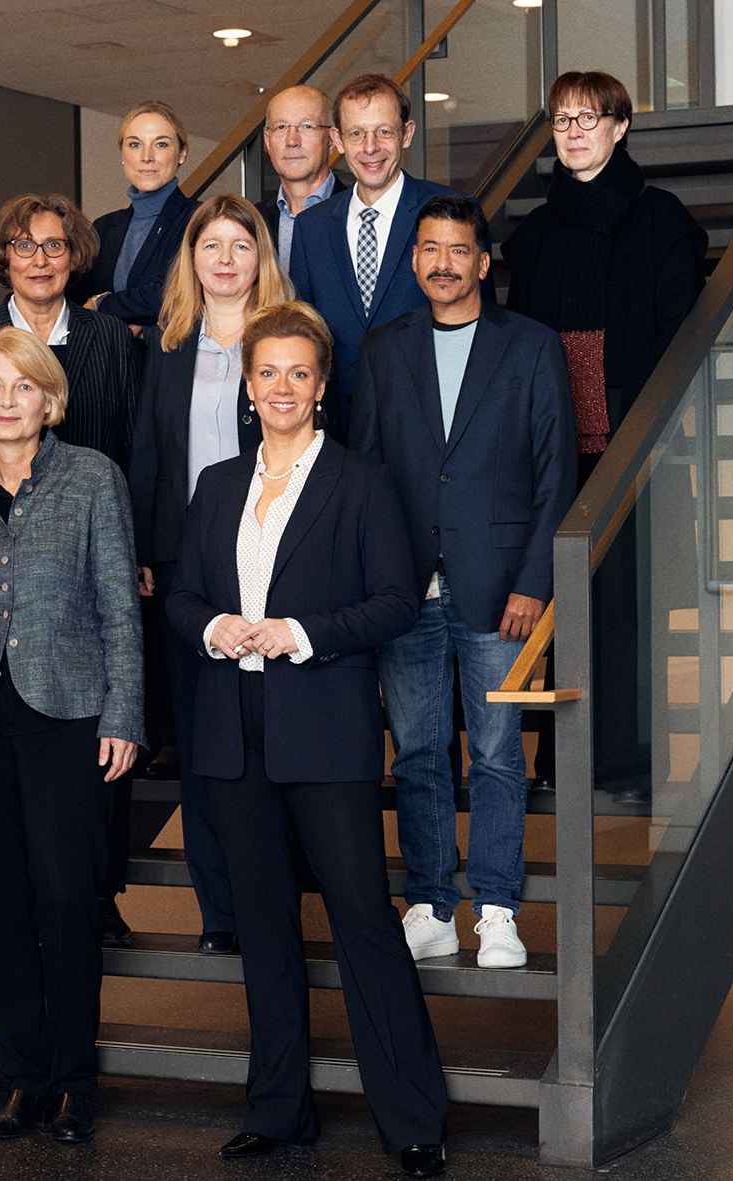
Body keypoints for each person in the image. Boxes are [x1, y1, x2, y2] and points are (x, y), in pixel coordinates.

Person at [167, 301, 448, 1179]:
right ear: (248, 387)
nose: (282, 387)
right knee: (263, 925)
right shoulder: (217, 485)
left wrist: (300, 632)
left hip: (325, 729)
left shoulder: (362, 482)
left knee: (362, 917)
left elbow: (396, 601)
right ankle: (278, 1110)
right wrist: (214, 625)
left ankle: (413, 1118)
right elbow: (180, 596)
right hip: (232, 731)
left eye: (298, 372)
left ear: (322, 385)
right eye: (267, 373)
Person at [0, 327, 144, 1145]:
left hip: (67, 714)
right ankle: (24, 1078)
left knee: (68, 895)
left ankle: (73, 1081)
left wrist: (124, 714)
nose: (7, 401)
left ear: (50, 400)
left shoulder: (93, 478)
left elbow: (120, 609)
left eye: (24, 386)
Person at [347, 194, 576, 969]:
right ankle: (431, 905)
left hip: (502, 590)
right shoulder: (385, 348)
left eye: (457, 250)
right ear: (413, 260)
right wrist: (375, 583)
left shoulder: (532, 346)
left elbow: (555, 475)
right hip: (406, 590)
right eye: (429, 249)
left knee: (499, 753)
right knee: (417, 752)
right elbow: (367, 474)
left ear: (482, 262)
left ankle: (498, 910)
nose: (442, 263)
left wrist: (534, 582)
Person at [0, 193, 147, 947]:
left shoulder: (110, 338)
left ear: (74, 256)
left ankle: (97, 891)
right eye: (24, 246)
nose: (41, 259)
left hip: (90, 552)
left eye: (54, 245)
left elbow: (131, 442)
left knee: (93, 735)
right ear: (4, 258)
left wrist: (126, 547)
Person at [500, 71, 707, 793]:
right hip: (554, 447)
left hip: (635, 439)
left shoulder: (661, 218)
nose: (575, 132)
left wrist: (642, 418)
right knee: (561, 605)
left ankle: (630, 762)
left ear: (621, 127)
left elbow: (680, 332)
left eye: (591, 118)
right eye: (563, 120)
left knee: (628, 612)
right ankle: (561, 762)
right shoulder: (531, 235)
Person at [127, 193, 294, 955]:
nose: (225, 260)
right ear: (190, 259)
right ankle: (220, 911)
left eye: (240, 245)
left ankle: (274, 899)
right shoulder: (167, 346)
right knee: (202, 746)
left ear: (262, 257)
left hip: (272, 555)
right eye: (210, 245)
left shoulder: (287, 340)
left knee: (270, 739)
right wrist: (146, 550)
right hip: (185, 568)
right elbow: (148, 454)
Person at [289, 73, 475, 431]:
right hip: (338, 432)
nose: (370, 148)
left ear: (406, 133)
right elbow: (304, 337)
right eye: (356, 134)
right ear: (337, 140)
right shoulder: (311, 227)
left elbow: (479, 331)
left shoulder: (453, 211)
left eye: (384, 132)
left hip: (432, 428)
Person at [69, 100, 199, 326]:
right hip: (108, 349)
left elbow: (173, 294)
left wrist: (101, 303)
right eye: (135, 144)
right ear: (122, 153)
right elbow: (73, 299)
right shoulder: (103, 228)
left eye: (161, 144)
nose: (146, 156)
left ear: (182, 153)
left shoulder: (199, 219)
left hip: (166, 349)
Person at [253, 85, 343, 274]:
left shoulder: (359, 212)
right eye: (281, 127)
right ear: (268, 141)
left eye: (307, 126)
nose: (292, 141)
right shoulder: (252, 220)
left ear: (332, 141)